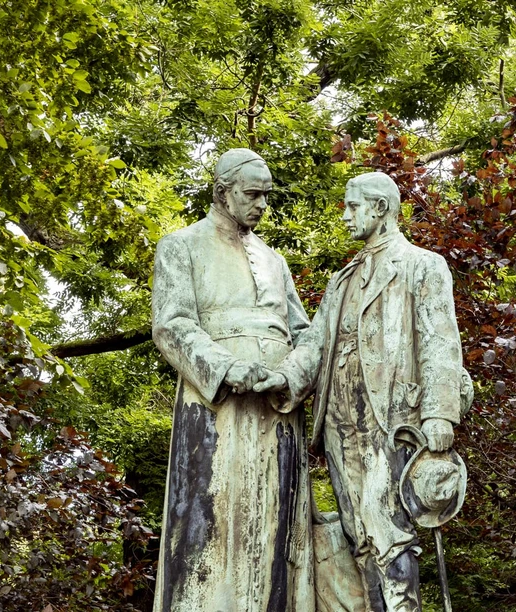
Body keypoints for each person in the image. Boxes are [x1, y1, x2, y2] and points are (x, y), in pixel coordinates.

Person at [149, 148, 316, 612]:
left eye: (266, 195)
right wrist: (226, 367)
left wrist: (289, 376)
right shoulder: (181, 245)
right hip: (216, 410)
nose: (261, 204)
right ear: (223, 192)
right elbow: (172, 323)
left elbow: (305, 336)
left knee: (274, 530)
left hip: (278, 413)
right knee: (212, 526)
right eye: (252, 193)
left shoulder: (275, 261)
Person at [292, 172, 465, 612]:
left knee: (387, 531)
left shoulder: (422, 265)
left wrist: (440, 414)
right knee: (358, 533)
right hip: (338, 420)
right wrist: (281, 383)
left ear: (380, 208)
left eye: (353, 206)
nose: (345, 215)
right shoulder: (341, 279)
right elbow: (313, 346)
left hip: (390, 420)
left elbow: (440, 342)